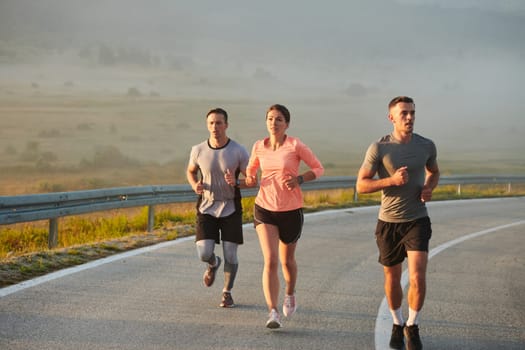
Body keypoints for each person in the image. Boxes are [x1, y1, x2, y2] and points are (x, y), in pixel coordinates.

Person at [356, 96, 440, 350]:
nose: (409, 117)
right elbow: (361, 186)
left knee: (417, 275)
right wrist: (390, 181)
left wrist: (429, 186)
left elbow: (434, 171)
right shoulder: (379, 148)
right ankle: (397, 321)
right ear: (391, 117)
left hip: (417, 219)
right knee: (392, 279)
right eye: (403, 113)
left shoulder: (427, 145)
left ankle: (412, 326)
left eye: (412, 112)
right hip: (388, 222)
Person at [245, 104, 324, 329]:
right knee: (270, 260)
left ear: (286, 124)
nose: (274, 123)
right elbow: (251, 172)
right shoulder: (259, 146)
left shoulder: (295, 145)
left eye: (279, 119)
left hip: (290, 210)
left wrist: (299, 179)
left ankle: (290, 292)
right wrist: (250, 178)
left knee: (287, 261)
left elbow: (318, 169)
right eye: (270, 119)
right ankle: (273, 311)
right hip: (264, 208)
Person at [186, 107, 250, 308]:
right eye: (211, 123)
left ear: (227, 125)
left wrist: (237, 182)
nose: (215, 127)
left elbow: (251, 180)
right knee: (204, 253)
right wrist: (194, 184)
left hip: (230, 208)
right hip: (206, 207)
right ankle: (213, 263)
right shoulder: (198, 150)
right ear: (207, 126)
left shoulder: (238, 150)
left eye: (219, 123)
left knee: (231, 254)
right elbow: (190, 171)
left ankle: (227, 292)